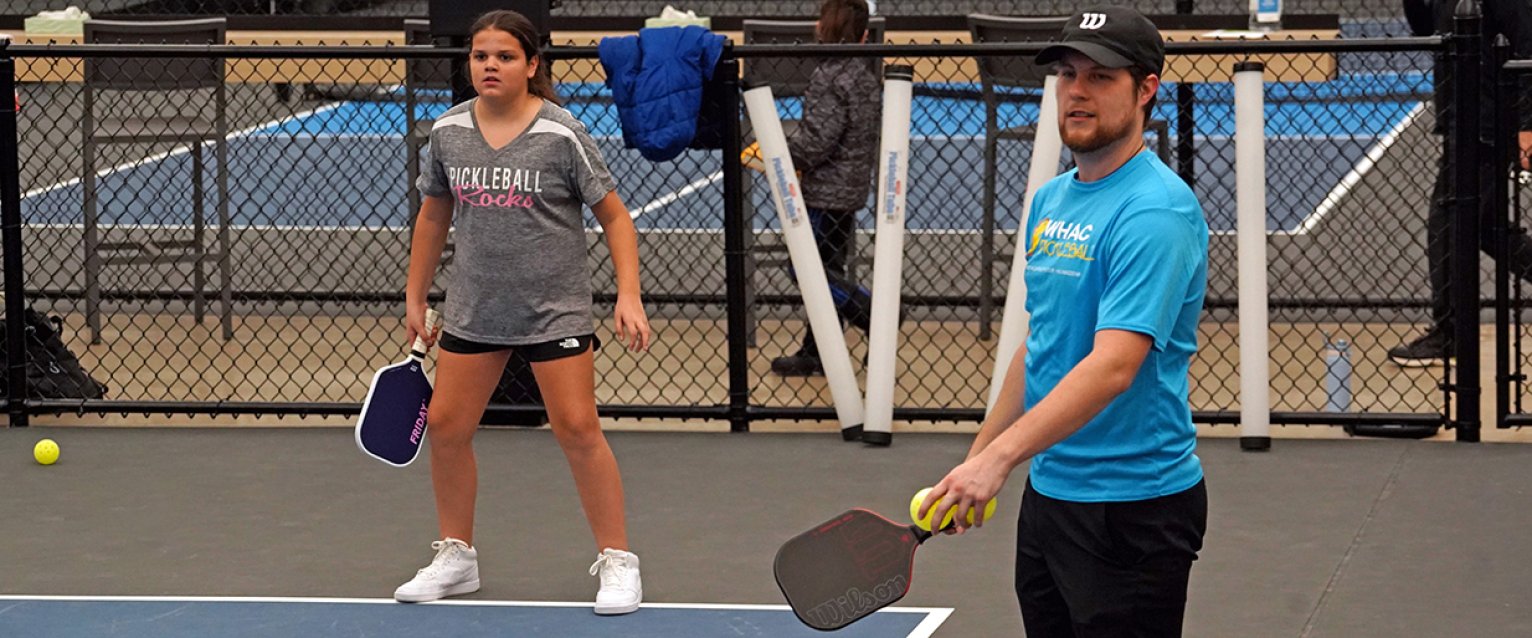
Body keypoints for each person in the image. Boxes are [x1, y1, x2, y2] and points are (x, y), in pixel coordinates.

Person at [917, 8, 1209, 635]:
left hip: (1133, 509)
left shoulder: (1155, 211)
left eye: (1100, 76)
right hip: (1050, 496)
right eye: (1067, 74)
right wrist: (980, 458)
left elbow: (1113, 366)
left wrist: (998, 463)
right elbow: (1040, 345)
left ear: (1146, 87)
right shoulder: (1050, 201)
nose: (1076, 91)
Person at [394, 10, 653, 615]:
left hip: (554, 314)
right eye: (480, 55)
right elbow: (433, 216)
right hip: (473, 311)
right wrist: (414, 297)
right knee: (447, 430)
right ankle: (457, 556)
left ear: (532, 66)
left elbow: (615, 215)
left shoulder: (562, 134)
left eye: (505, 56)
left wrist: (629, 293)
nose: (490, 65)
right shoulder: (448, 131)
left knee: (578, 431)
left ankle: (618, 561)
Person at [1390, 0, 1532, 366]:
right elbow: (1423, 28)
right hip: (1463, 117)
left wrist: (1527, 125)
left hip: (1489, 123)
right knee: (1488, 228)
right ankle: (1449, 332)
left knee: (1447, 225)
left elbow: (1528, 47)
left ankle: (1449, 333)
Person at [767, 0, 883, 377]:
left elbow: (818, 141)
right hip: (849, 190)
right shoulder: (864, 75)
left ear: (824, 28)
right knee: (827, 266)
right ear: (864, 36)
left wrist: (777, 151)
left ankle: (875, 315)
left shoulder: (829, 75)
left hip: (825, 193)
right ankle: (817, 352)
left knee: (807, 270)